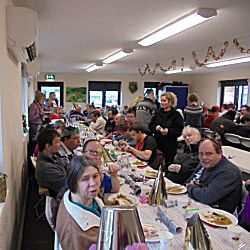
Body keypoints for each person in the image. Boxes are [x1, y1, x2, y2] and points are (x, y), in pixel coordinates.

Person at [56, 156, 104, 249]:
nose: (93, 183)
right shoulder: (73, 234)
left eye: (95, 176)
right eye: (85, 179)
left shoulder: (84, 196)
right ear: (73, 183)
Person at [186, 138, 242, 213]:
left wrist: (191, 188)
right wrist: (194, 188)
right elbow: (188, 182)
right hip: (198, 206)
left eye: (209, 154)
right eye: (201, 153)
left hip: (217, 216)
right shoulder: (205, 164)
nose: (204, 158)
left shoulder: (229, 172)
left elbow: (206, 196)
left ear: (220, 153)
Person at [149, 92, 184, 165]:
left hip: (170, 144)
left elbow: (179, 130)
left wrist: (169, 131)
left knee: (168, 164)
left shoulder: (176, 115)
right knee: (156, 163)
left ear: (170, 101)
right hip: (158, 142)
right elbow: (151, 126)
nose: (162, 103)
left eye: (164, 101)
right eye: (161, 101)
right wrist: (156, 128)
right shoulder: (157, 113)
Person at [35, 128, 67, 199]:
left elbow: (67, 167)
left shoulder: (53, 156)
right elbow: (68, 184)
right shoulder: (46, 168)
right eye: (57, 142)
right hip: (62, 198)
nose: (60, 144)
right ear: (48, 146)